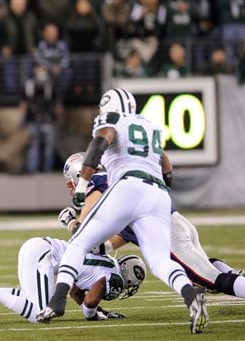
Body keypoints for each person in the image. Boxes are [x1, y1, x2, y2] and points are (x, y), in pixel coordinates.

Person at [36, 88, 209, 334]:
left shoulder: (112, 120)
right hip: (157, 194)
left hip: (128, 186)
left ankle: (58, 301)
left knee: (78, 242)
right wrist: (163, 192)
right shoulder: (150, 125)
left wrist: (82, 187)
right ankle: (192, 297)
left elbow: (97, 146)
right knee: (160, 262)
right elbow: (166, 167)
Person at [58, 152, 245, 305]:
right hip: (178, 223)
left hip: (169, 236)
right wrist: (104, 247)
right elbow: (123, 235)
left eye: (71, 182)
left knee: (210, 279)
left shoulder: (95, 183)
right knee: (205, 271)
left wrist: (70, 221)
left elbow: (85, 234)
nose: (71, 187)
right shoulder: (117, 177)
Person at [0, 236, 144, 323]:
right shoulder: (114, 277)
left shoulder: (107, 264)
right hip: (44, 255)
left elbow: (74, 290)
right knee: (40, 314)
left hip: (38, 248)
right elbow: (90, 302)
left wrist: (97, 311)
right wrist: (94, 314)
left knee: (35, 303)